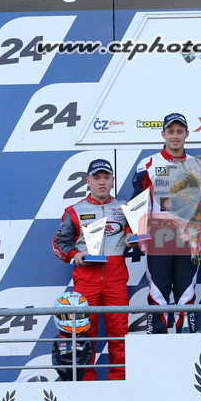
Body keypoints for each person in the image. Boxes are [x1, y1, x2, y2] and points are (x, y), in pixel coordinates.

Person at [52, 159, 133, 380]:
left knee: (119, 334)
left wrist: (131, 237)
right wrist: (74, 255)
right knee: (83, 333)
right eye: (97, 178)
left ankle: (119, 381)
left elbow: (134, 232)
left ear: (113, 180)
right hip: (86, 280)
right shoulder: (74, 210)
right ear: (88, 181)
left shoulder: (125, 207)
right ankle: (86, 382)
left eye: (106, 177)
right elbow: (58, 244)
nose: (102, 182)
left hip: (116, 279)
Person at [131, 113, 201, 334]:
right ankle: (157, 341)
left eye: (179, 132)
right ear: (163, 134)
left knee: (186, 293)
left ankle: (186, 339)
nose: (175, 136)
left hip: (187, 236)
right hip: (158, 236)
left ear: (187, 134)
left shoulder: (198, 165)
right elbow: (138, 201)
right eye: (171, 132)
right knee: (158, 292)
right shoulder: (148, 164)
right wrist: (133, 232)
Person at [52, 291, 94, 381]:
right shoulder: (58, 339)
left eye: (79, 315)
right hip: (63, 371)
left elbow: (88, 355)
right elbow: (54, 356)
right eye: (68, 316)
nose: (74, 319)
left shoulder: (86, 340)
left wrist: (83, 366)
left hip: (80, 369)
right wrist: (59, 368)